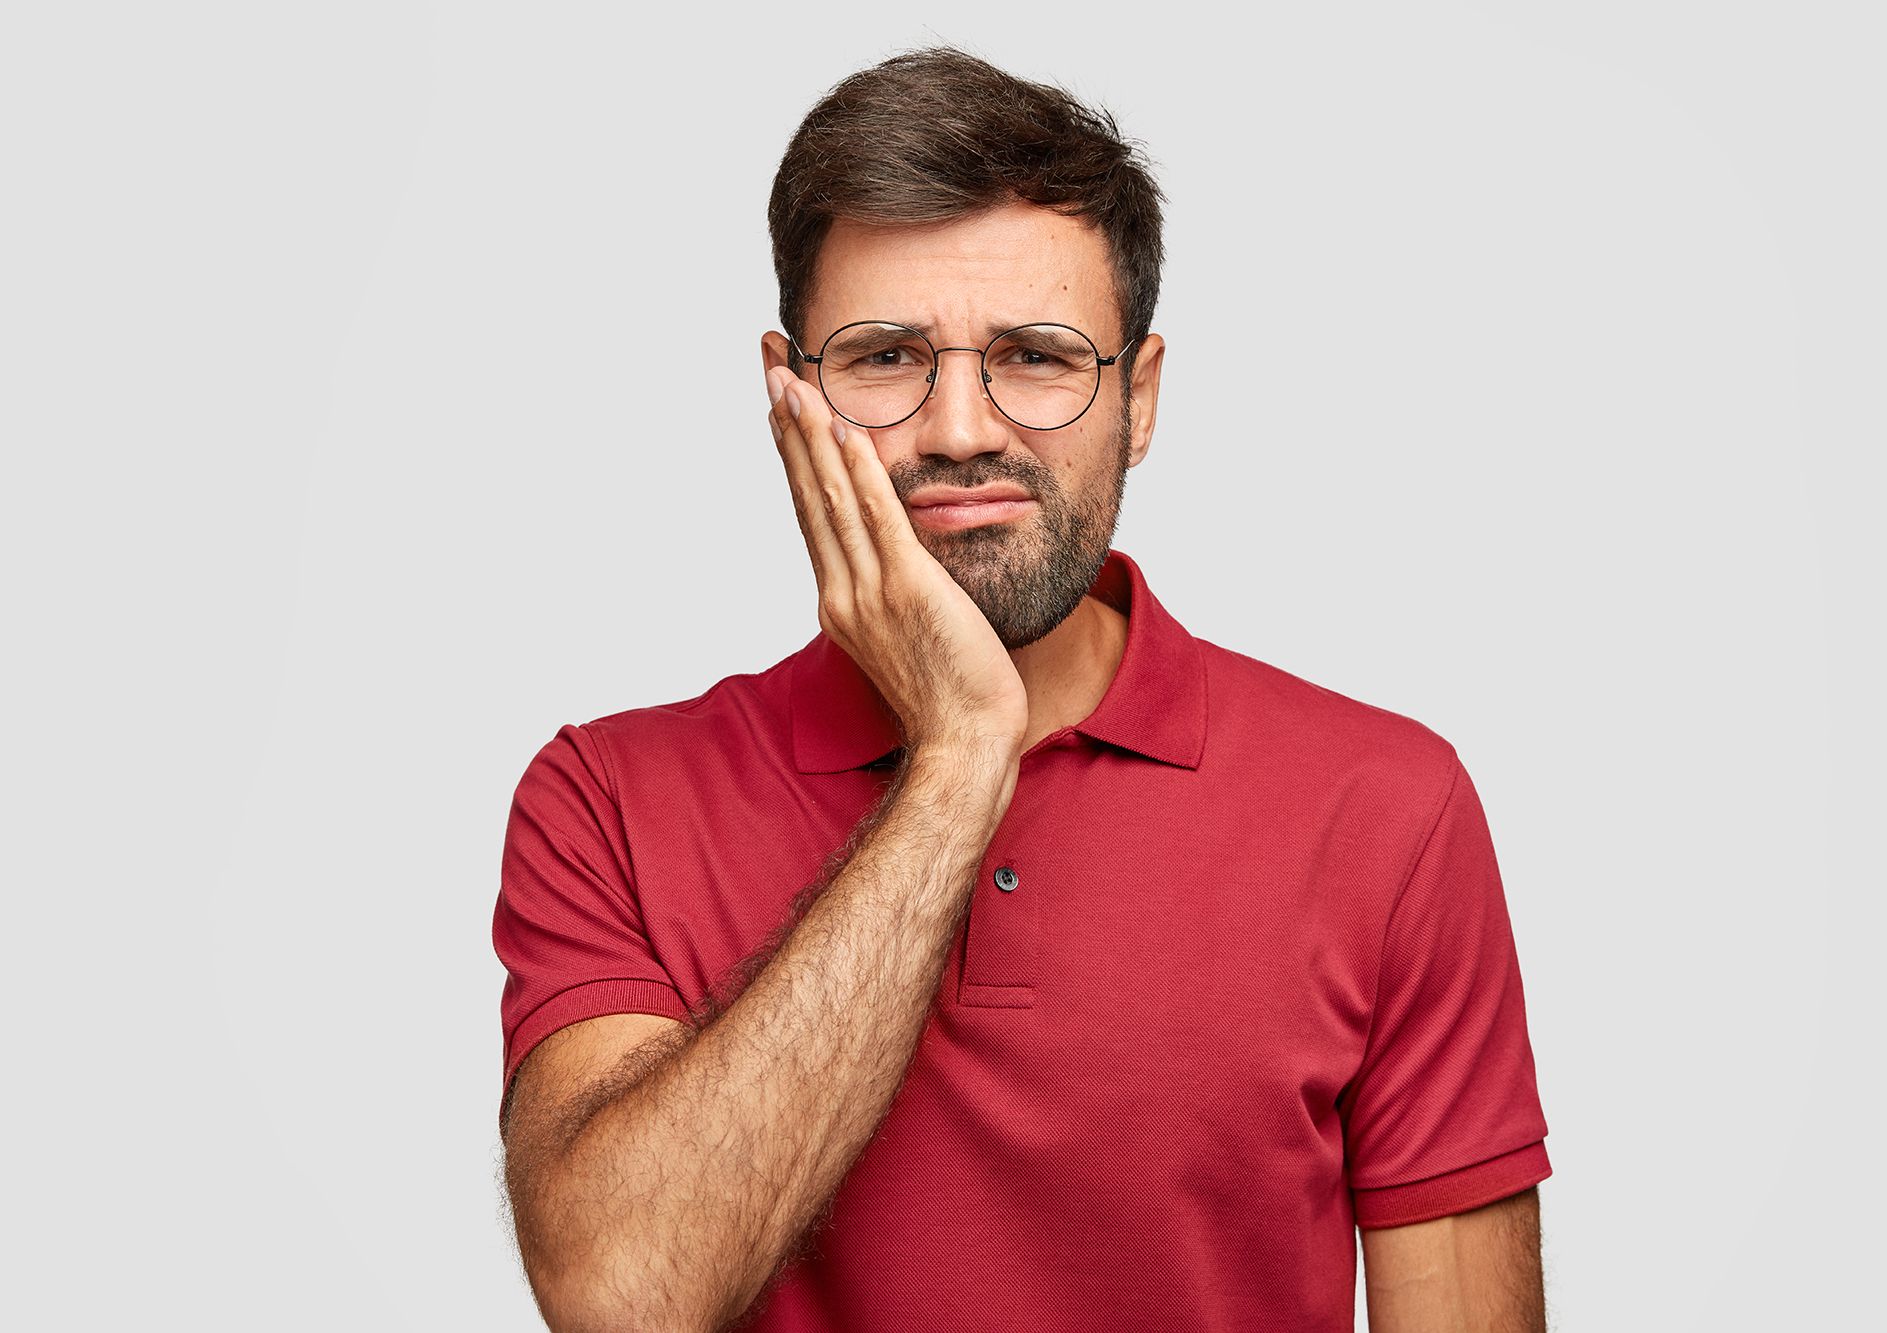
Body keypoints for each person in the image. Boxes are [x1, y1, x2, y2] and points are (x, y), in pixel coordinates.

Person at [492, 45, 1552, 1333]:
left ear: (1140, 398)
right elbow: (623, 1297)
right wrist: (960, 754)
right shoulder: (608, 798)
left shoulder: (1387, 806)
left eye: (1037, 357)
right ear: (791, 393)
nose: (958, 429)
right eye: (884, 356)